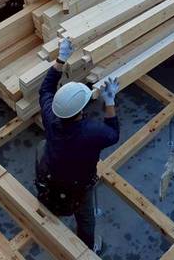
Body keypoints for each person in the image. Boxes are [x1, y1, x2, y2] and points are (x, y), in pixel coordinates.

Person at [37, 37, 120, 253]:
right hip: (77, 185)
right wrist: (110, 101)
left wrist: (61, 59)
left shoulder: (51, 117)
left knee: (42, 146)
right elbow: (113, 135)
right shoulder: (92, 132)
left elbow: (45, 90)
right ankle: (87, 247)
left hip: (50, 173)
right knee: (85, 217)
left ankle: (47, 199)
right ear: (80, 110)